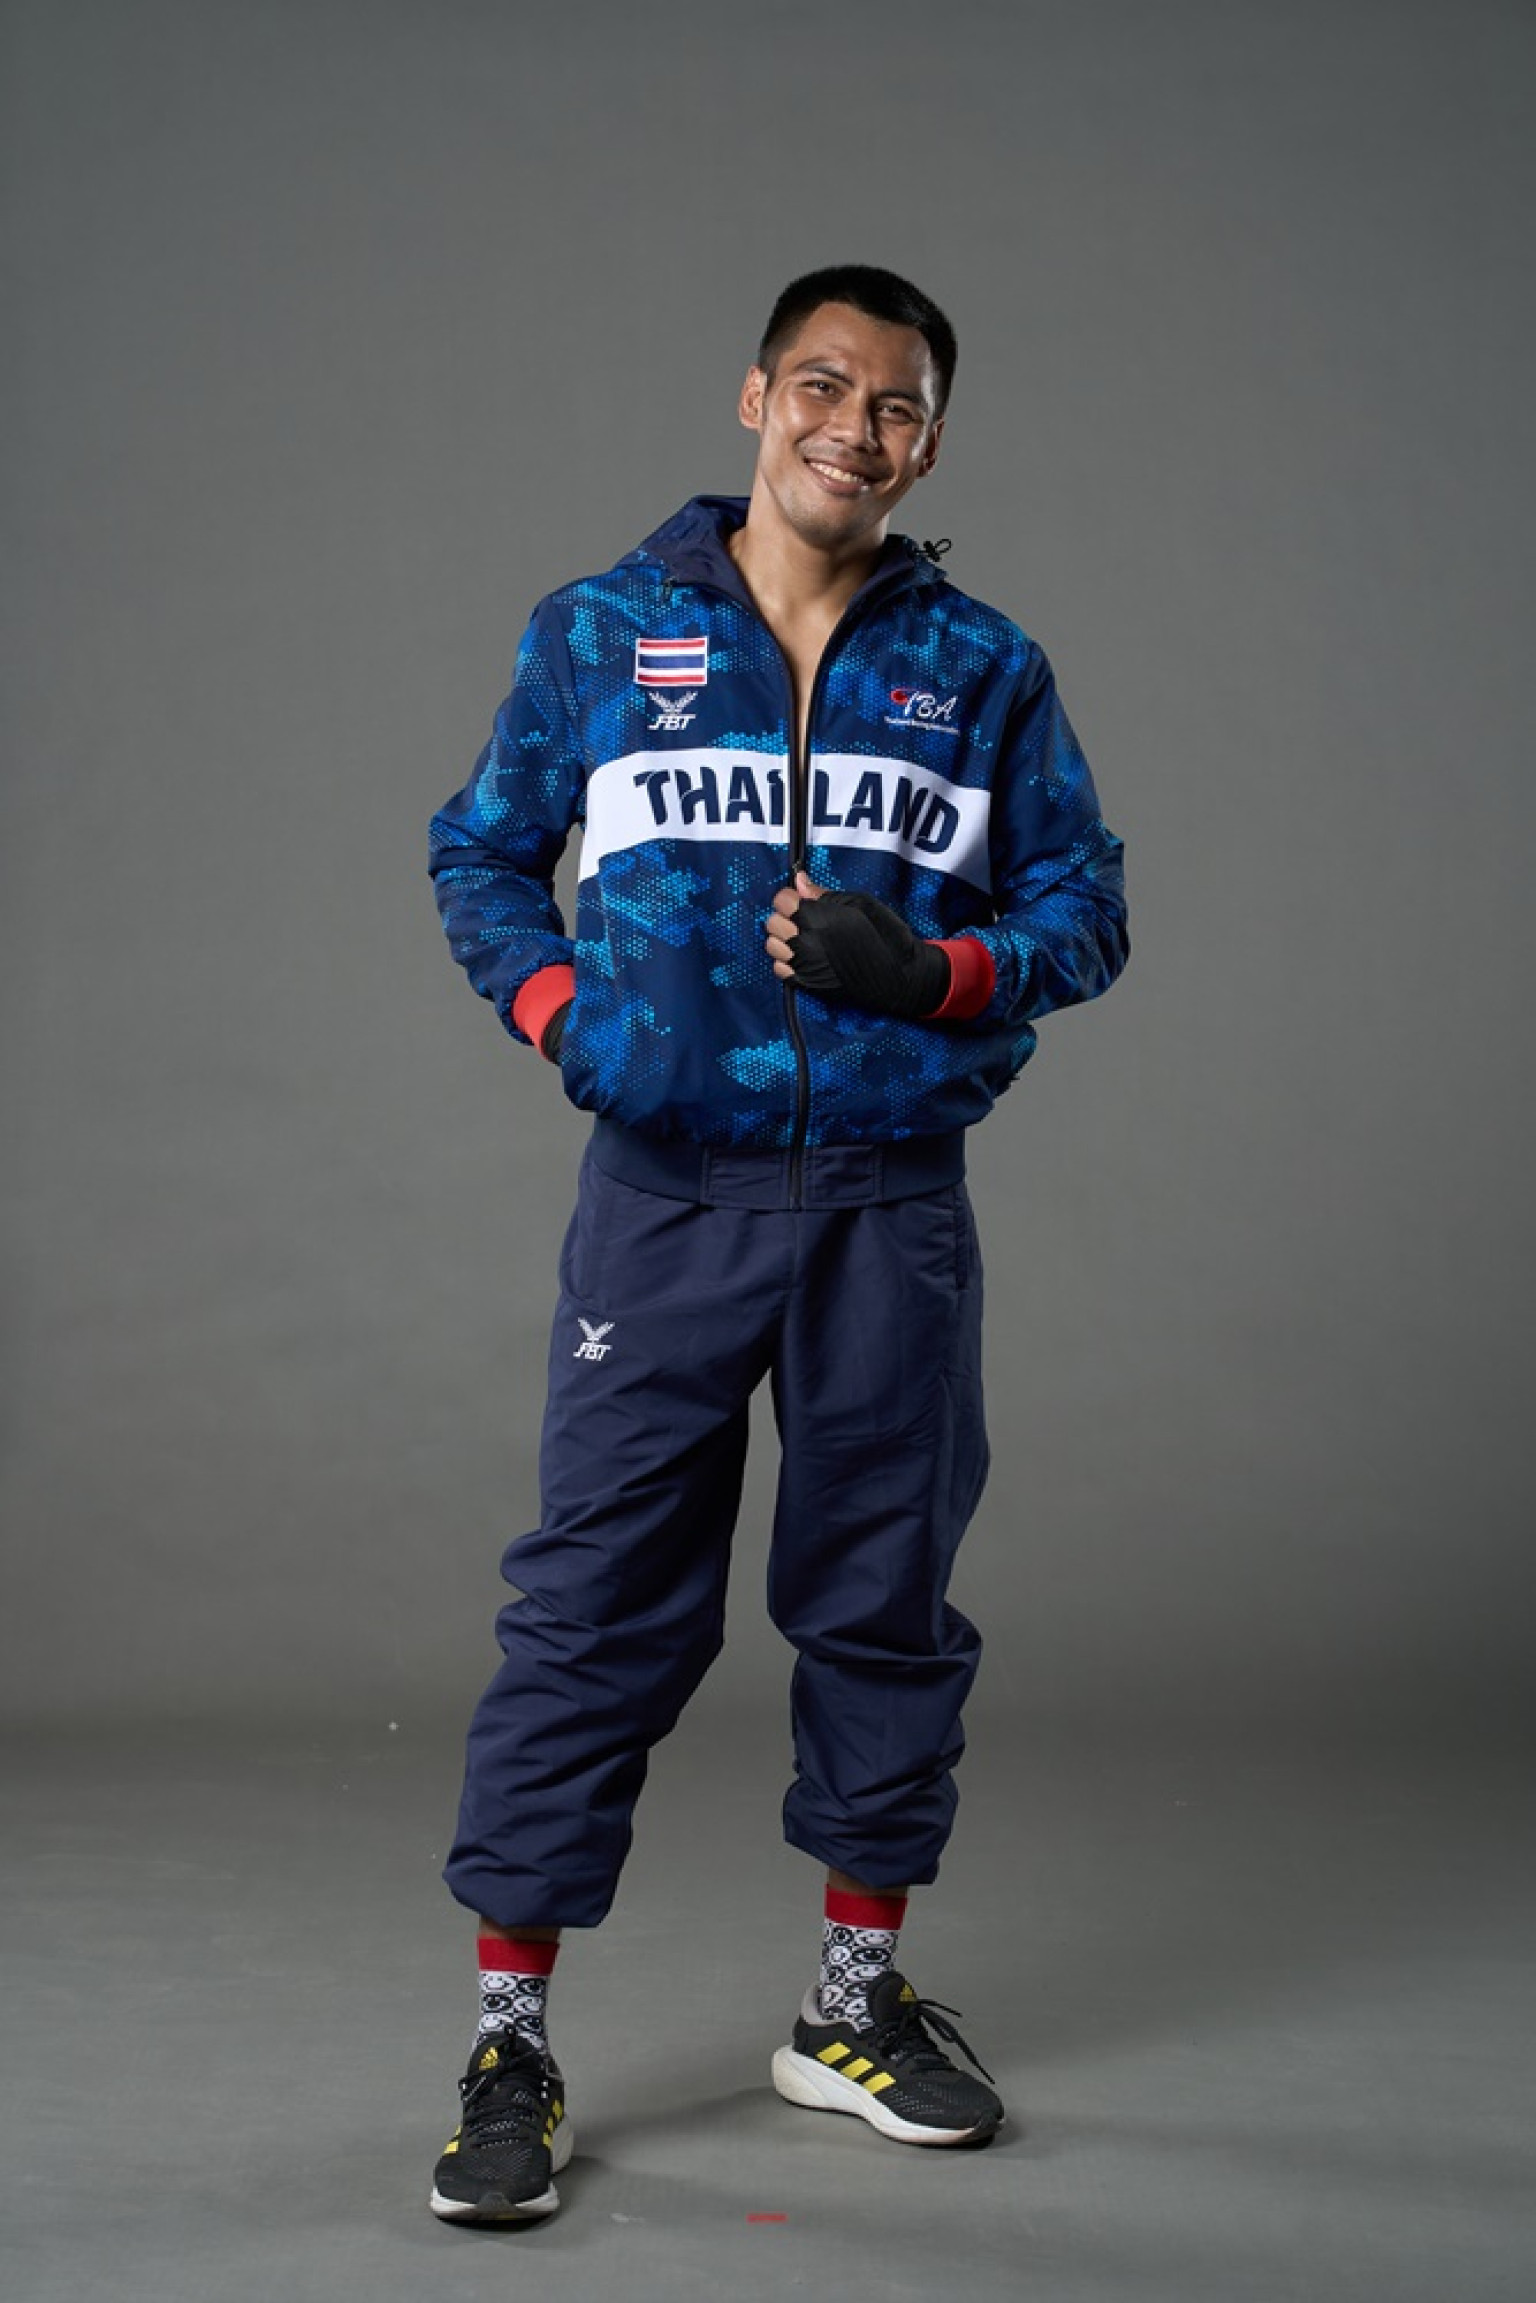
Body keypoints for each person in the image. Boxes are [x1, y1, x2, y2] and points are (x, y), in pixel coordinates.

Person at [425, 263, 1129, 2223]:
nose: (855, 427)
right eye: (824, 386)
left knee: (884, 1605)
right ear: (756, 399)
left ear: (928, 447)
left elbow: (1086, 912)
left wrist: (943, 970)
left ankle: (847, 2010)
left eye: (896, 406)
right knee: (595, 1617)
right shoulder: (602, 632)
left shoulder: (982, 666)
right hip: (666, 1203)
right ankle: (509, 2044)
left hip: (891, 1210)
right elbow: (481, 851)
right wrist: (571, 1021)